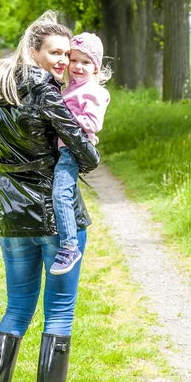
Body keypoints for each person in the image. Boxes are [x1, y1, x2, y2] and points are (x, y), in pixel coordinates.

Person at [0, 11, 100, 382]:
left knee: (15, 309)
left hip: (12, 217)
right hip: (54, 217)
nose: (63, 61)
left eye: (67, 54)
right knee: (61, 312)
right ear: (33, 50)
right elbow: (88, 155)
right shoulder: (48, 93)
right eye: (55, 52)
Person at [50, 32, 111, 276]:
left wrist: (62, 118)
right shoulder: (70, 88)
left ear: (95, 68)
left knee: (61, 194)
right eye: (74, 60)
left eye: (86, 62)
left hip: (72, 151)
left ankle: (69, 246)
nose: (78, 67)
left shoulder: (93, 92)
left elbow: (93, 123)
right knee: (61, 193)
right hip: (62, 148)